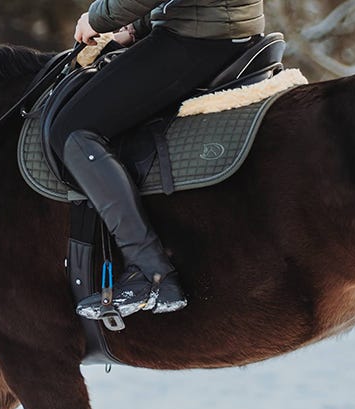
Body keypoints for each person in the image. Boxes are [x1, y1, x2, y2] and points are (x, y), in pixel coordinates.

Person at [54, 0, 264, 320]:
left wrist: (98, 19)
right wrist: (135, 27)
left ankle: (149, 270)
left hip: (199, 37)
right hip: (220, 26)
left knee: (73, 131)